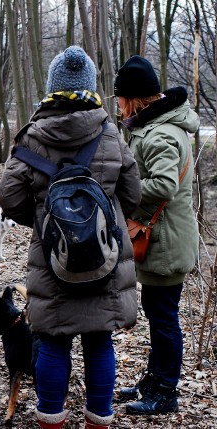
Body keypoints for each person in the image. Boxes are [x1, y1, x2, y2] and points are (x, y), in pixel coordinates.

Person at [0, 46, 141, 429]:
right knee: (98, 342)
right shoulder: (110, 134)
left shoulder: (32, 136)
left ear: (52, 88)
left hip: (52, 260)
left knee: (54, 341)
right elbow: (133, 195)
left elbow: (8, 197)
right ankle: (98, 420)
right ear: (90, 87)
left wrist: (45, 222)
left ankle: (51, 421)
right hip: (105, 258)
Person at [114, 55, 199, 415]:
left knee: (164, 317)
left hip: (166, 241)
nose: (116, 104)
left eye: (119, 97)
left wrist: (123, 186)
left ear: (133, 98)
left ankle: (166, 391)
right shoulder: (153, 127)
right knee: (157, 311)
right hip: (162, 238)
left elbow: (163, 184)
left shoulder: (161, 132)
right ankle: (155, 378)